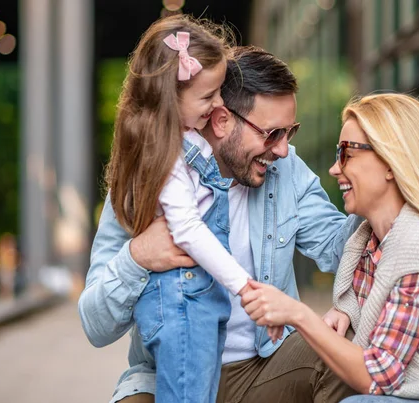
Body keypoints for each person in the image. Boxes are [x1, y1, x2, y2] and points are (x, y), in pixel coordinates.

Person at [79, 45, 362, 403]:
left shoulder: (286, 171)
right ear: (221, 119)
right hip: (165, 371)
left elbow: (341, 250)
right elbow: (95, 325)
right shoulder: (145, 180)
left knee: (344, 353)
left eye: (290, 132)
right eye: (272, 133)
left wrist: (377, 195)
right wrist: (137, 256)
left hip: (264, 367)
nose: (283, 150)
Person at [241, 93, 419, 402]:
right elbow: (372, 299)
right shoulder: (371, 241)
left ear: (391, 163)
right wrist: (345, 310)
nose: (334, 170)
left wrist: (298, 314)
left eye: (345, 154)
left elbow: (378, 375)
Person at [102, 15, 285, 402]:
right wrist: (244, 286)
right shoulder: (167, 157)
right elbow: (187, 228)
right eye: (208, 96)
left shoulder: (183, 140)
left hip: (197, 299)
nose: (219, 103)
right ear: (169, 98)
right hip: (184, 301)